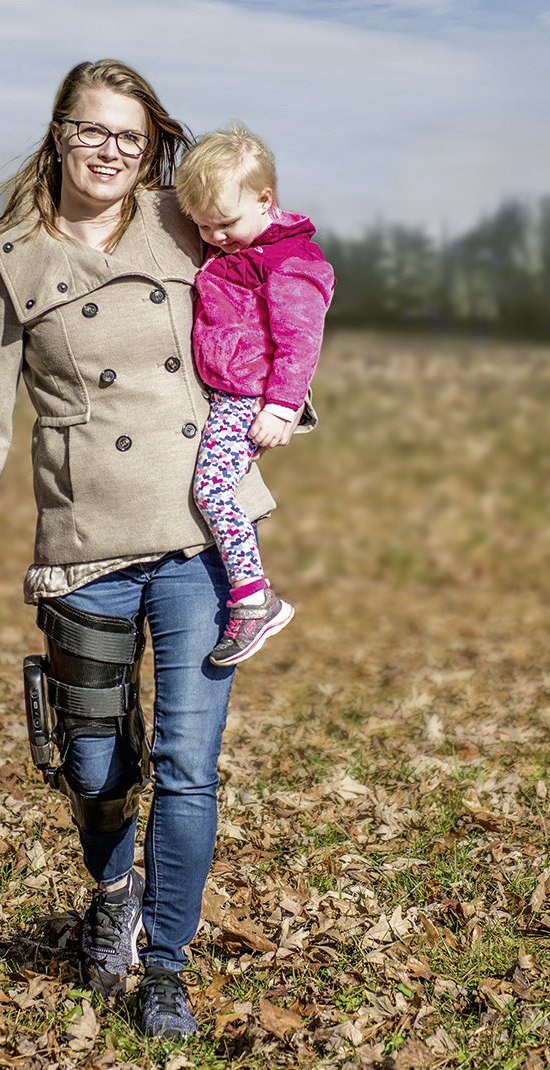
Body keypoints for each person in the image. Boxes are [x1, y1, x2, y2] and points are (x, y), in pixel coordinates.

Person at [0, 59, 290, 1039]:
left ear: (152, 144)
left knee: (189, 765)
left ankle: (165, 966)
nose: (112, 153)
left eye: (130, 136)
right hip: (87, 544)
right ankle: (112, 888)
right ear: (59, 134)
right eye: (93, 131)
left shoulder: (186, 219)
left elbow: (288, 283)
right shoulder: (10, 256)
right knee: (94, 768)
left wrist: (287, 397)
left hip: (204, 539)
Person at [174, 122, 334, 666]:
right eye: (203, 227)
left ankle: (253, 597)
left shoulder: (289, 264)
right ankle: (250, 594)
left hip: (249, 399)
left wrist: (282, 406)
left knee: (214, 491)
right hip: (224, 392)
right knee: (209, 488)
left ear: (266, 201)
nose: (214, 237)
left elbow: (299, 341)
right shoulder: (235, 249)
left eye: (224, 223)